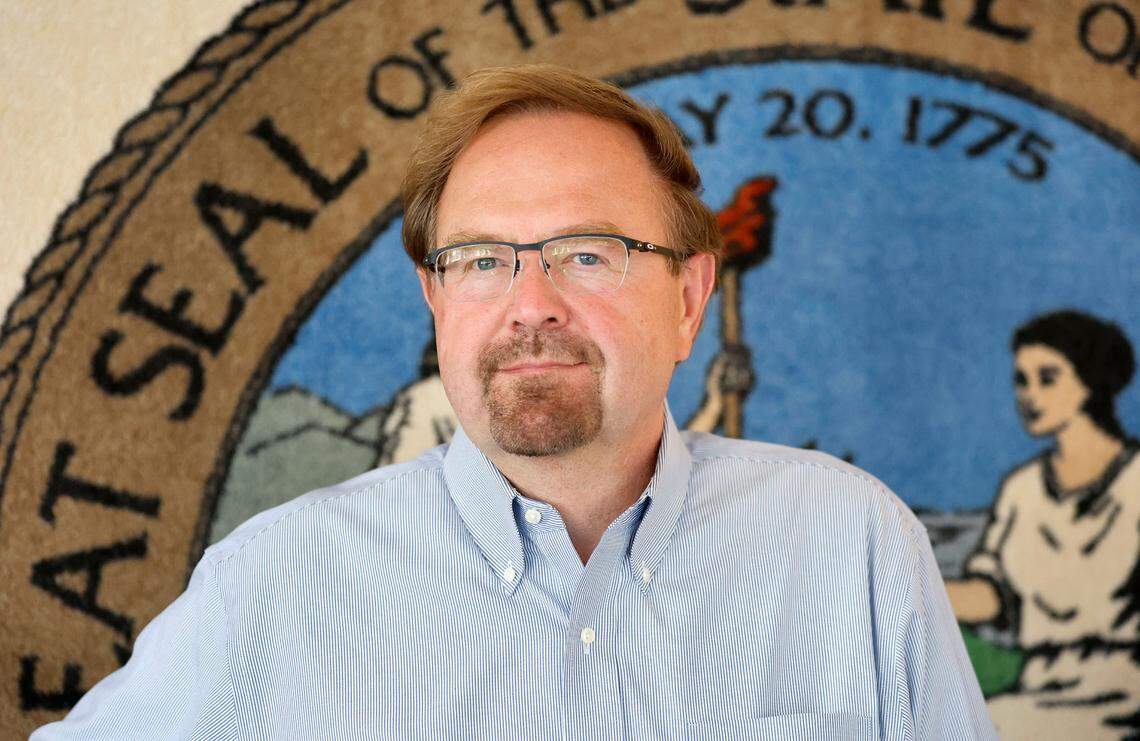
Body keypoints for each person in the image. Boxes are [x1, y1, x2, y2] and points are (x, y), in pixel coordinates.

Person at [33, 64, 993, 739]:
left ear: (689, 297)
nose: (531, 305)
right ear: (436, 298)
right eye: (483, 260)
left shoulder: (853, 545)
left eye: (588, 253)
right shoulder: (275, 583)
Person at [946, 309, 1140, 739]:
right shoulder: (1022, 490)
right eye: (1022, 380)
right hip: (1036, 689)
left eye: (1047, 378)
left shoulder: (1135, 483)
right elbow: (993, 597)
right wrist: (908, 584)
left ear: (1090, 381)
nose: (1028, 395)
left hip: (1125, 694)